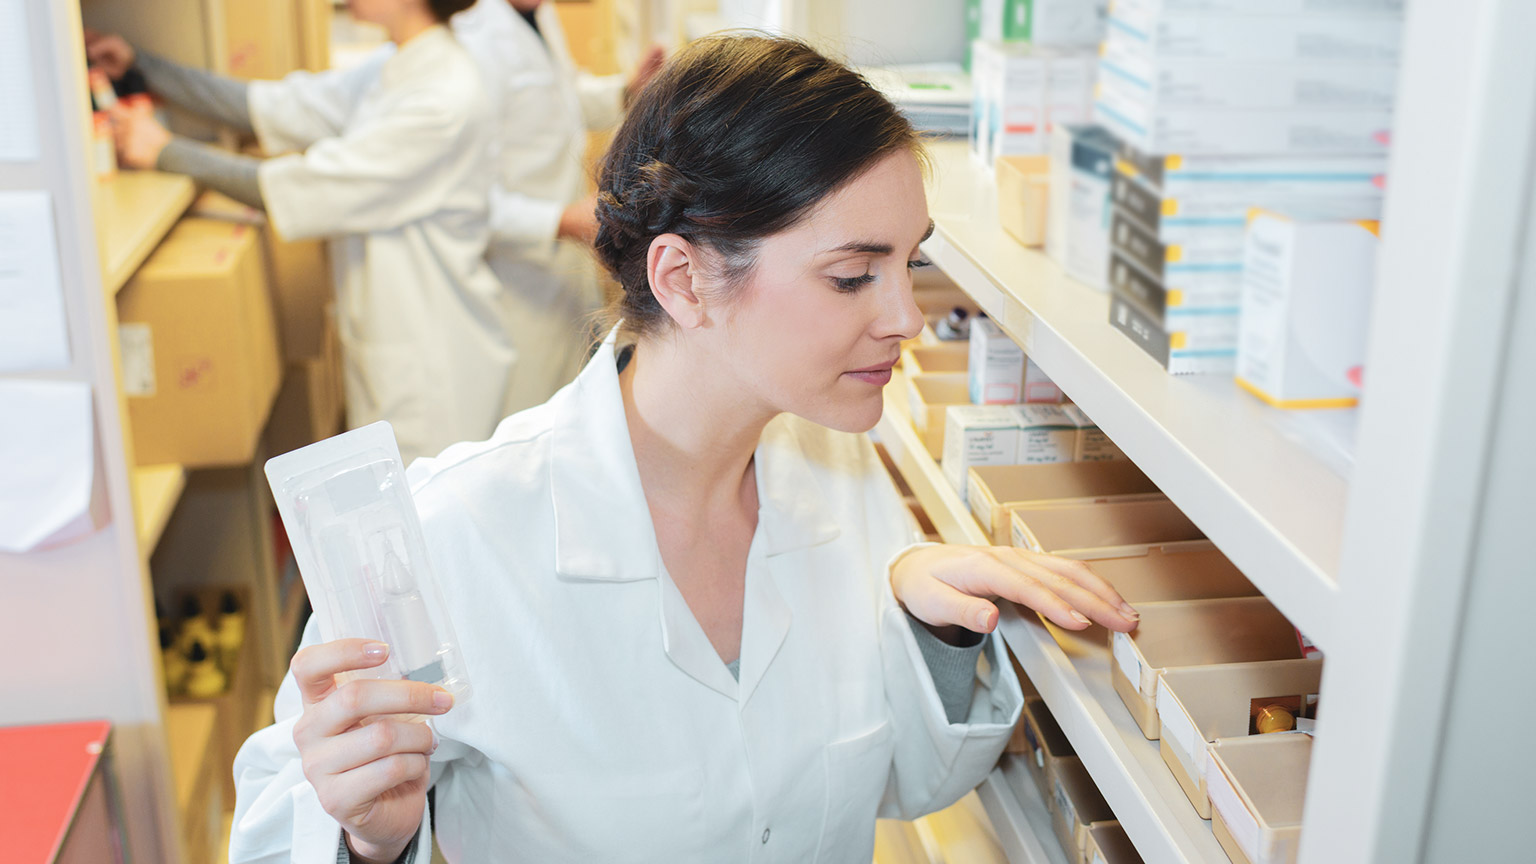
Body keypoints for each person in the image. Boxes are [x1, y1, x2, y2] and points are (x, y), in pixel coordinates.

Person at [228, 35, 1138, 864]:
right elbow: (276, 839)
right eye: (853, 276)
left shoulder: (845, 480)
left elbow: (896, 783)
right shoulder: (448, 540)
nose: (903, 317)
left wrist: (934, 632)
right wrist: (371, 846)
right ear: (683, 278)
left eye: (913, 266)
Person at [85, 0, 514, 464]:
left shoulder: (443, 98)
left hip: (433, 363)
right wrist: (142, 66)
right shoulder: (398, 64)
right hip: (399, 338)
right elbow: (273, 107)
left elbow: (299, 187)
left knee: (423, 516)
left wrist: (164, 150)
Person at [452, 0, 665, 415]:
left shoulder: (538, 15)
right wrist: (560, 220)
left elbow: (558, 99)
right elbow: (457, 196)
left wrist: (626, 93)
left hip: (558, 273)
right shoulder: (469, 36)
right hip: (511, 279)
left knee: (567, 404)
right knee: (526, 413)